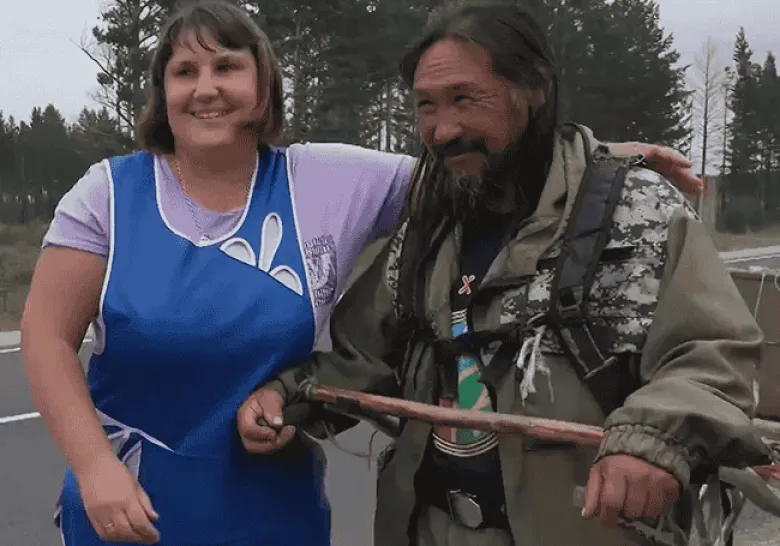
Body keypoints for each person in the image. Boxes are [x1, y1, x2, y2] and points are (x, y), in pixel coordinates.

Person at [21, 1, 703, 545]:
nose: (206, 89)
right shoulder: (108, 195)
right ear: (161, 92)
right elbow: (47, 338)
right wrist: (93, 467)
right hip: (129, 500)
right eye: (183, 72)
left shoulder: (326, 181)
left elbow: (481, 164)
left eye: (227, 67)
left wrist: (601, 159)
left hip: (273, 504)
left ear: (263, 87)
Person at [238, 3, 772, 546]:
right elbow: (359, 361)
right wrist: (287, 396)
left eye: (465, 99)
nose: (443, 130)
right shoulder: (430, 225)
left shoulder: (635, 214)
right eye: (426, 106)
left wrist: (652, 438)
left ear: (533, 90)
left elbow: (713, 355)